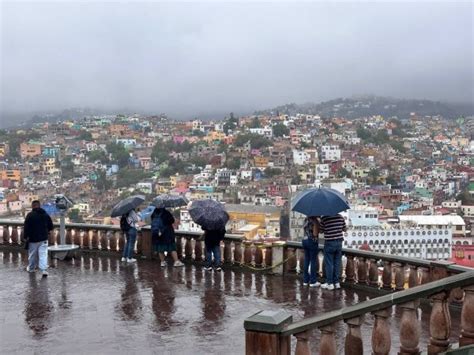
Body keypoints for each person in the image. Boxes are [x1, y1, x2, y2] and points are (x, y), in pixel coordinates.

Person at [24, 200, 54, 277]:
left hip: (33, 239)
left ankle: (31, 268)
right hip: (44, 238)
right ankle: (44, 270)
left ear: (32, 206)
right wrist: (48, 231)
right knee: (43, 254)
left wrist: (25, 237)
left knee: (32, 255)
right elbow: (50, 225)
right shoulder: (45, 214)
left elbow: (26, 228)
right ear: (39, 205)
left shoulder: (30, 215)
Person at [320, 213, 346, 290]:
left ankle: (329, 283)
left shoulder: (324, 218)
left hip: (329, 242)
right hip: (339, 242)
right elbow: (344, 229)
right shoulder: (340, 217)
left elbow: (321, 231)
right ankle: (337, 283)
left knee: (329, 263)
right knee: (337, 263)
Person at [302, 216, 320, 287]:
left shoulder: (305, 219)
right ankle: (313, 281)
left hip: (304, 241)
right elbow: (315, 234)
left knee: (306, 260)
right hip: (312, 241)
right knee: (313, 261)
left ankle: (305, 281)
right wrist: (317, 224)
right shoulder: (314, 220)